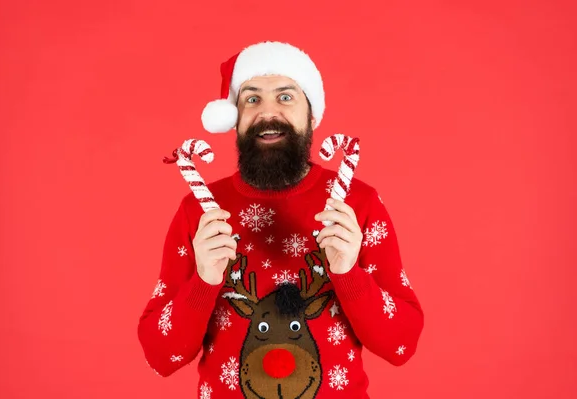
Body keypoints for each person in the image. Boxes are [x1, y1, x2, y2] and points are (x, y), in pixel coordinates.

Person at [137, 40, 424, 398]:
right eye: (252, 99)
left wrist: (350, 275)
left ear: (311, 114)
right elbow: (161, 356)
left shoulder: (356, 203)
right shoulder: (200, 210)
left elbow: (401, 344)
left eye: (286, 97)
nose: (268, 113)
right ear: (236, 118)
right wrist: (204, 281)